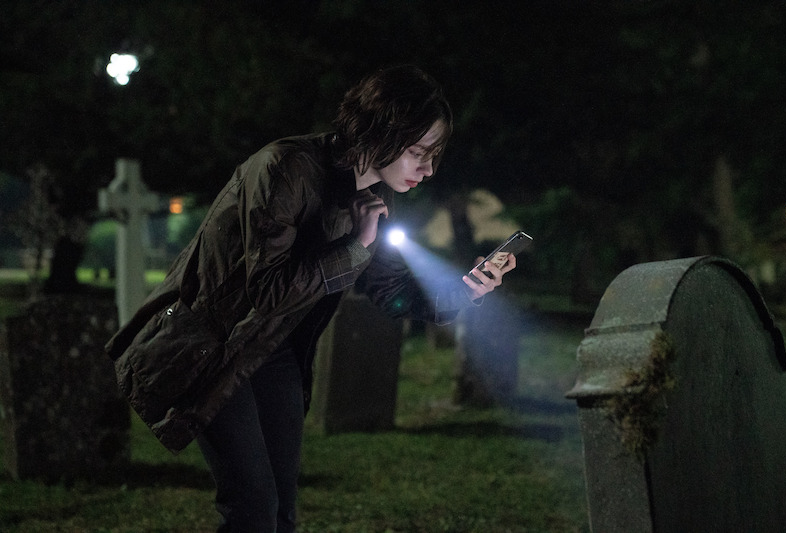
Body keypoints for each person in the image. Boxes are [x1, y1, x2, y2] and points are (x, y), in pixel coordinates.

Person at [106, 65, 517, 532]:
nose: (427, 169)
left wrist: (466, 290)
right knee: (252, 507)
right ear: (379, 130)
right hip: (216, 348)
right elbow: (267, 290)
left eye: (434, 155)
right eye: (417, 152)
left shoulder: (379, 195)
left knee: (280, 512)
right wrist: (357, 246)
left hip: (276, 355)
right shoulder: (285, 168)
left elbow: (392, 291)